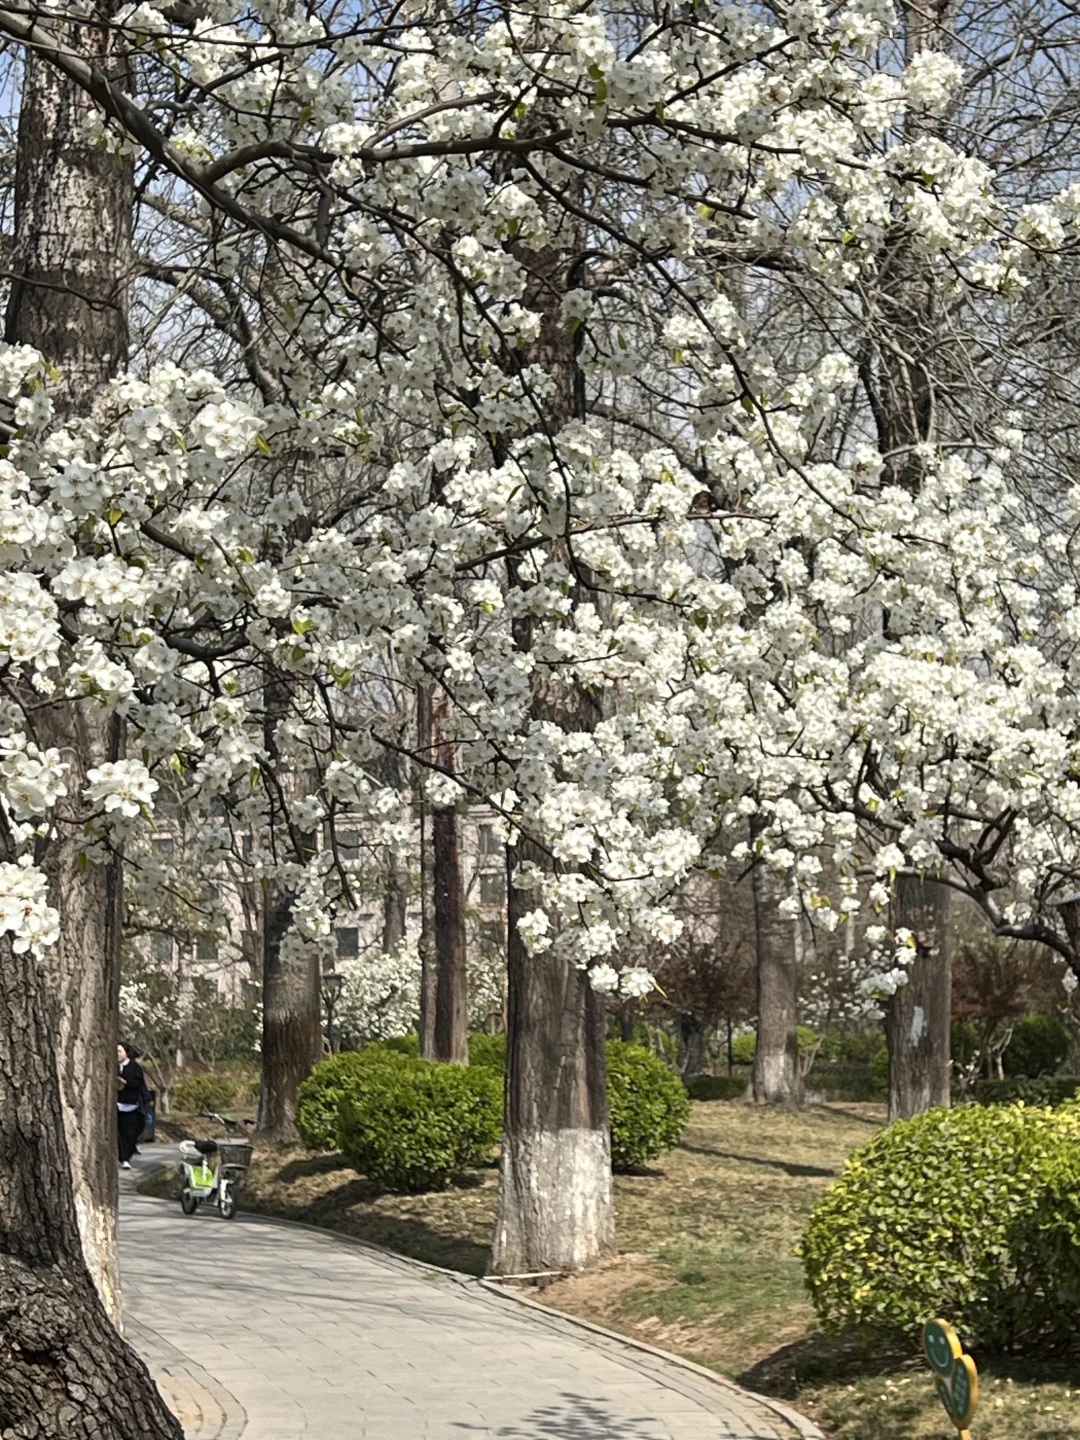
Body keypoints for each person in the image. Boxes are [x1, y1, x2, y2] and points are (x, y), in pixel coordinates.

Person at [117, 1041, 146, 1169]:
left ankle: (126, 1157)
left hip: (130, 1105)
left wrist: (125, 1083)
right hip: (116, 1105)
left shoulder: (134, 1067)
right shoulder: (113, 1067)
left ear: (126, 1053)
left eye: (119, 1051)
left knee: (129, 1133)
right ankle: (121, 1157)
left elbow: (138, 1084)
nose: (116, 1054)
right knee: (118, 1134)